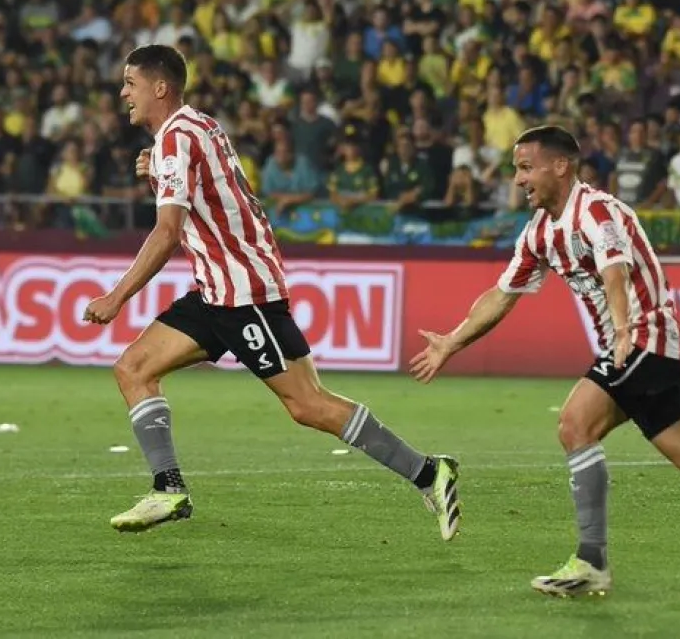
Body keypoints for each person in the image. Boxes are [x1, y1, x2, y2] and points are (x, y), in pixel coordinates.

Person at [409, 124, 680, 596]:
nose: (519, 180)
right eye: (516, 171)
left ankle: (591, 562)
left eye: (526, 168)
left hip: (647, 338)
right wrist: (451, 342)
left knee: (574, 425)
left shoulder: (597, 210)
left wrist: (623, 329)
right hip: (634, 350)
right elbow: (503, 294)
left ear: (560, 166)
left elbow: (615, 270)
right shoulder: (539, 233)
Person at [82, 44, 461, 540]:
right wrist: (158, 168)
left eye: (130, 83)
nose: (122, 93)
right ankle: (168, 488)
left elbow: (167, 232)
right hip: (217, 290)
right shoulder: (195, 127)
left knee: (308, 405)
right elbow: (218, 187)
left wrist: (117, 297)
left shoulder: (177, 138)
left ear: (160, 87)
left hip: (244, 293)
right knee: (133, 368)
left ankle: (430, 473)